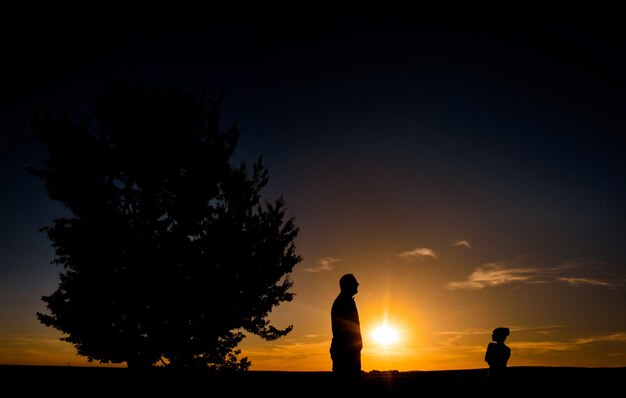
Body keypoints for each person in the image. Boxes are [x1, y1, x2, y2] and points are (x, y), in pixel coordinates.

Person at [330, 273, 363, 390]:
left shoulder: (346, 301)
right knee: (347, 389)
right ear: (347, 285)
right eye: (354, 282)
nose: (357, 284)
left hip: (349, 354)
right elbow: (345, 332)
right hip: (346, 356)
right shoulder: (343, 303)